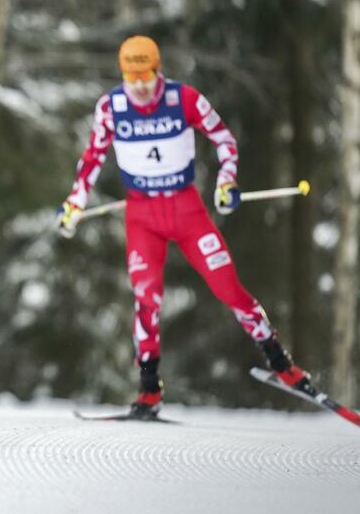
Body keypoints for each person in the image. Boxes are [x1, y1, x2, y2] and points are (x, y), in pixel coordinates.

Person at [54, 35, 311, 419]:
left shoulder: (185, 99)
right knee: (147, 298)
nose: (139, 86)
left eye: (146, 76)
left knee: (229, 288)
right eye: (131, 76)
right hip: (142, 216)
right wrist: (75, 201)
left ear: (159, 71)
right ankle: (148, 389)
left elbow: (224, 139)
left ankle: (281, 364)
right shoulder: (111, 107)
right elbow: (93, 156)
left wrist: (227, 180)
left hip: (187, 210)